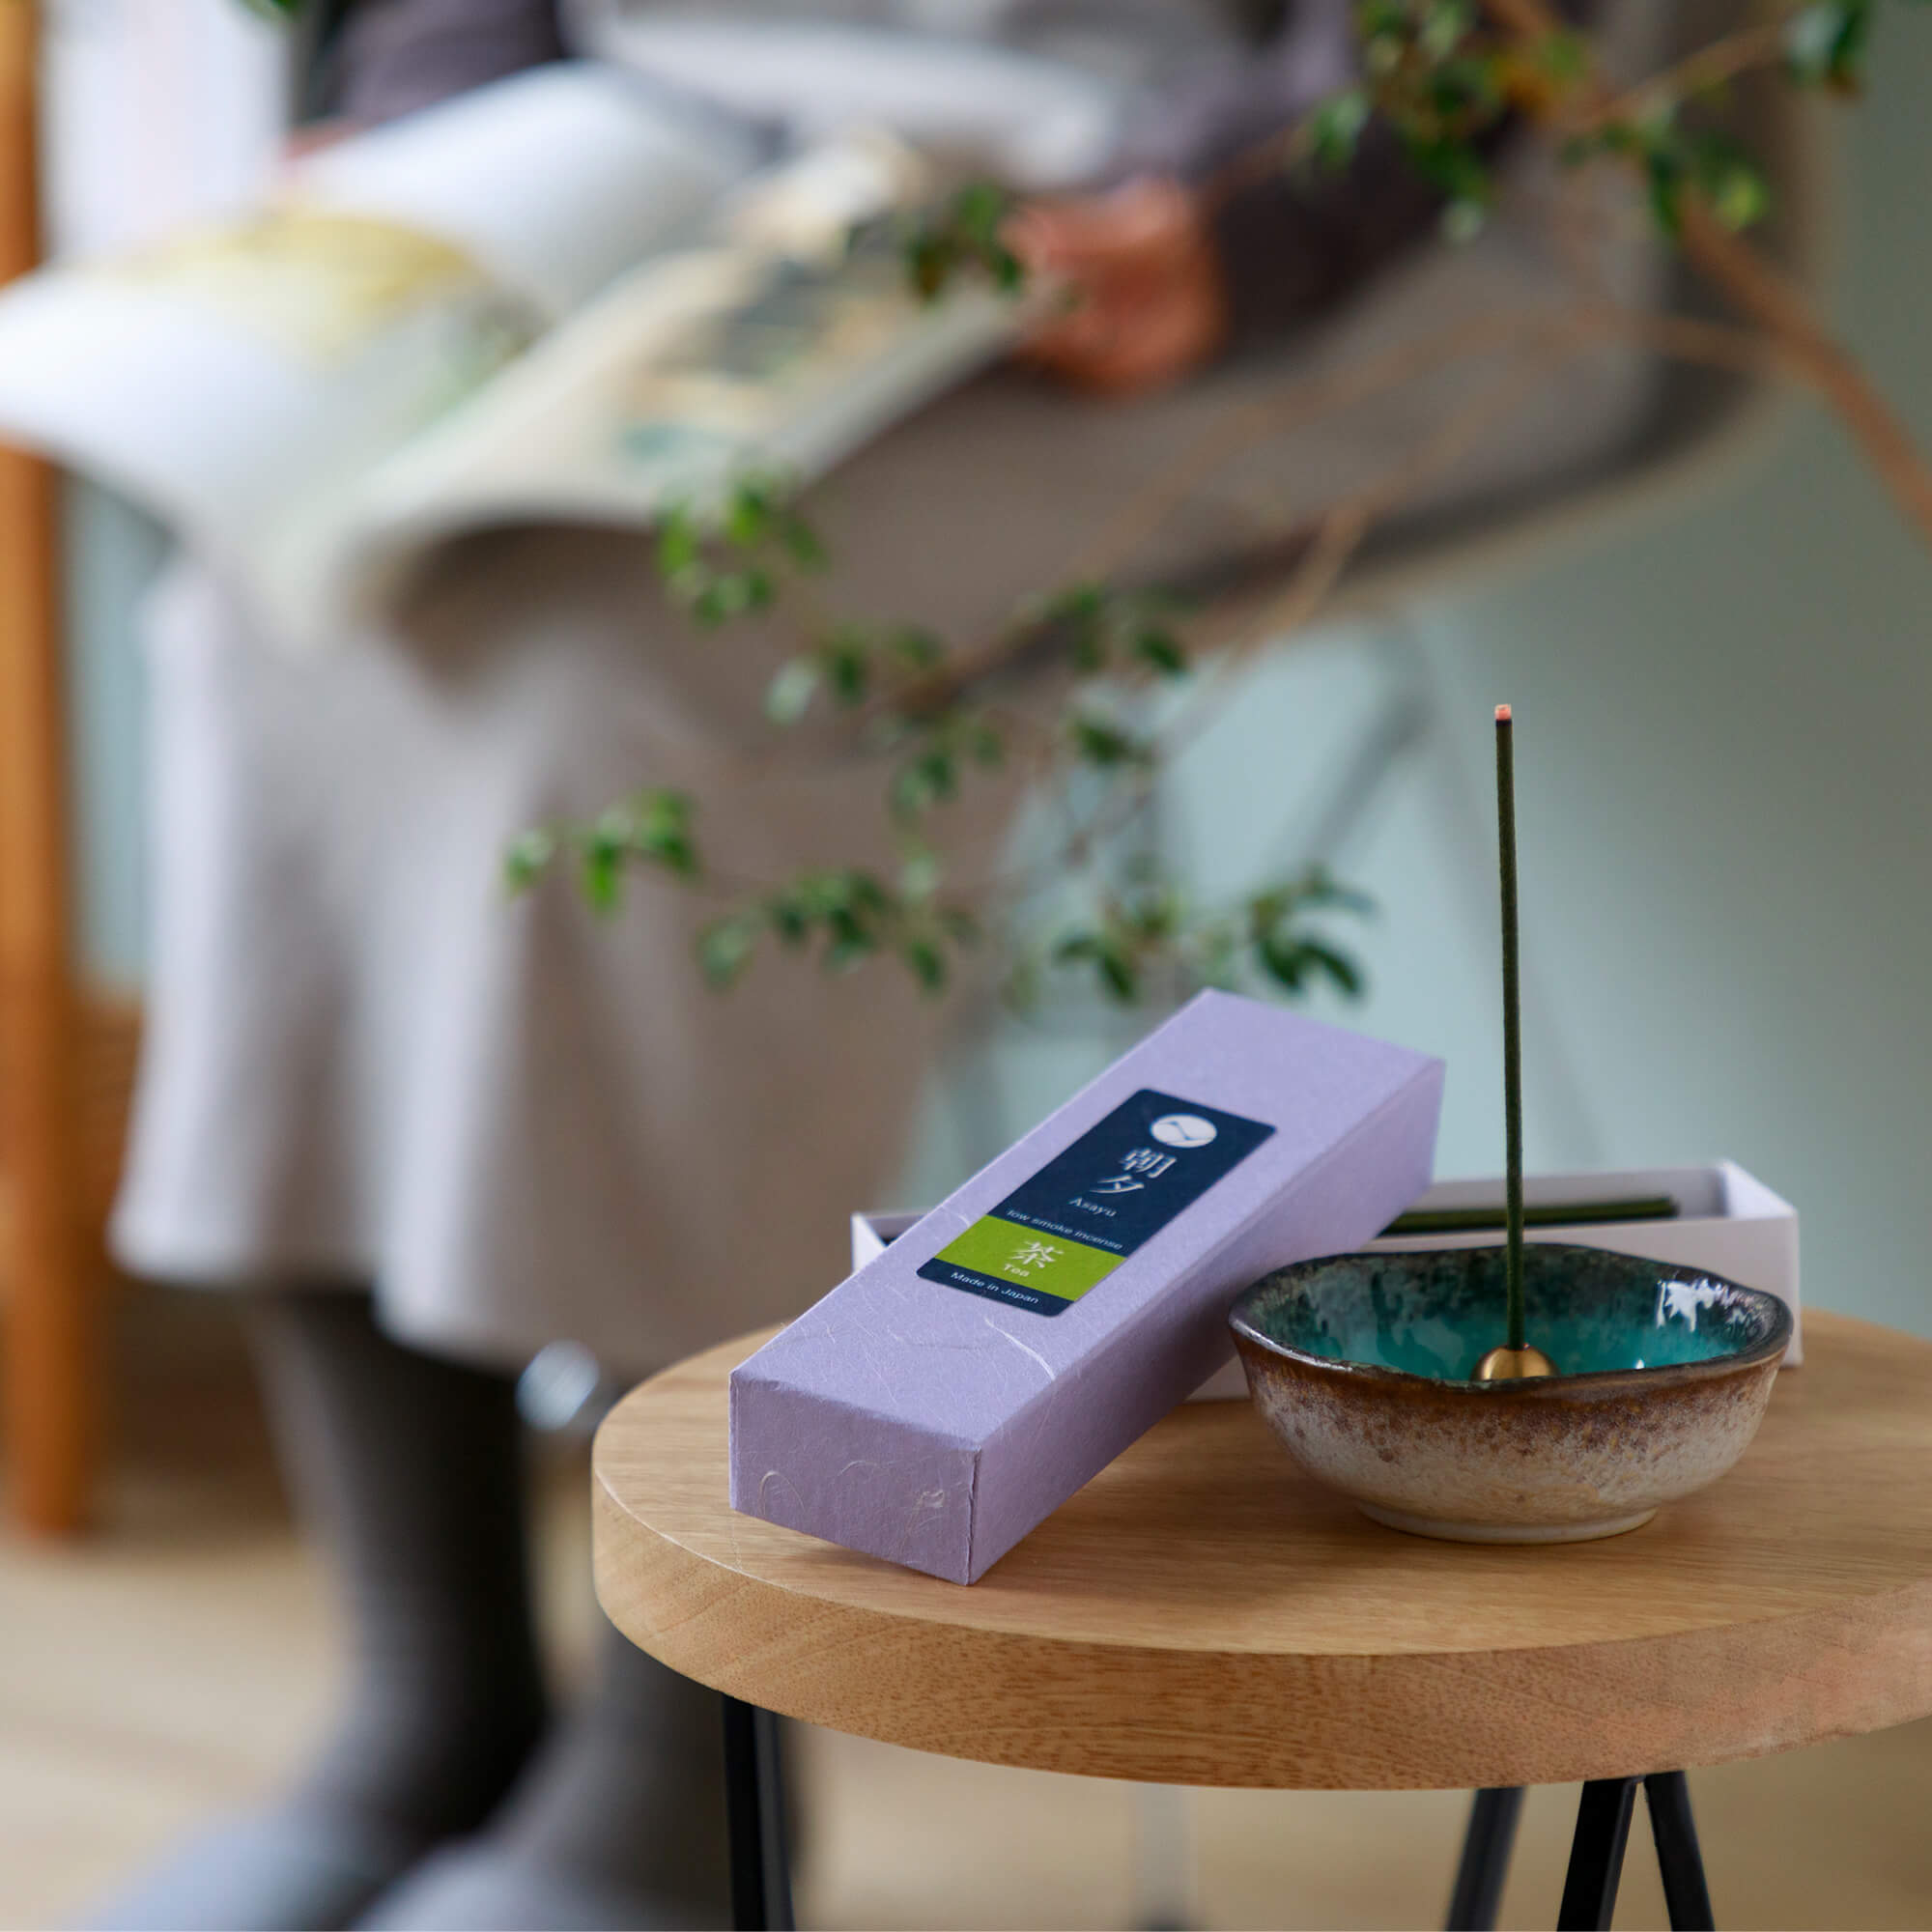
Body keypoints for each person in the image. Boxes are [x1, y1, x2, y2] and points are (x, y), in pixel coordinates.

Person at [93, 3, 1465, 1927]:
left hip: (1165, 193)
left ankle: (690, 1765)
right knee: (277, 616)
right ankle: (431, 1705)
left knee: (635, 682)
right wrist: (429, 133)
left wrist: (1258, 203)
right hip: (662, 161)